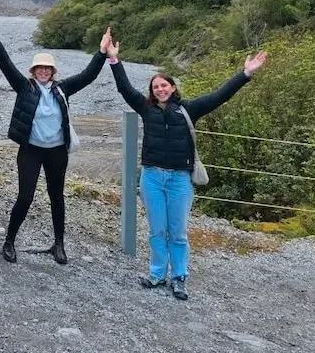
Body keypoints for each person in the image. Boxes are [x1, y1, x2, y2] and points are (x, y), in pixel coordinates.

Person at [107, 38, 267, 300]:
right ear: (152, 91)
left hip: (180, 179)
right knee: (157, 230)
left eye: (164, 85)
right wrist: (113, 59)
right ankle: (157, 274)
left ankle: (179, 277)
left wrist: (245, 73)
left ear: (172, 87)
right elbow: (124, 88)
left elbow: (219, 96)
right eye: (155, 86)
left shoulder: (188, 109)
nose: (160, 89)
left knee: (178, 233)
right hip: (152, 178)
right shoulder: (146, 109)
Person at [0, 18, 111, 264]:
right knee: (25, 196)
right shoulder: (24, 87)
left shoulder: (63, 88)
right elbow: (6, 65)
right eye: (39, 68)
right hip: (30, 151)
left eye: (47, 68)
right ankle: (9, 240)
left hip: (56, 152)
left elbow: (88, 76)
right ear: (33, 71)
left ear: (53, 72)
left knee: (57, 196)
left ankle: (59, 243)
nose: (43, 71)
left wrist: (101, 52)